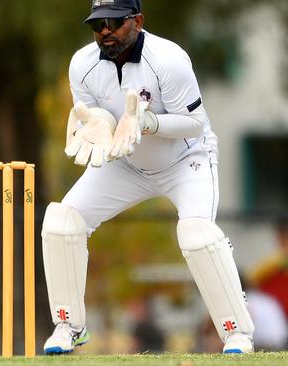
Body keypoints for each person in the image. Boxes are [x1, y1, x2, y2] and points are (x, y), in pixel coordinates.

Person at [41, 0, 254, 355]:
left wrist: (147, 121)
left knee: (197, 234)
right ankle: (69, 325)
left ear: (138, 21)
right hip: (124, 162)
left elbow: (195, 123)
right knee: (63, 221)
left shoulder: (168, 59)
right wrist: (102, 123)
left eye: (114, 22)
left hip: (186, 160)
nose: (104, 31)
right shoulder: (82, 64)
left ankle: (237, 333)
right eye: (97, 25)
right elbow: (92, 115)